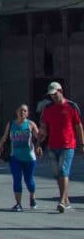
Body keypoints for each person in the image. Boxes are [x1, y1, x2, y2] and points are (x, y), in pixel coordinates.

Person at [38, 82, 84, 212]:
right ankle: (66, 199)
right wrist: (39, 144)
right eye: (51, 95)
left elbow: (78, 126)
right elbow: (44, 128)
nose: (53, 96)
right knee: (57, 174)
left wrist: (82, 144)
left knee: (63, 170)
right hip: (53, 145)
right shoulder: (48, 108)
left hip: (68, 144)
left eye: (55, 94)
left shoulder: (71, 106)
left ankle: (62, 201)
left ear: (61, 91)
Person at [0, 104, 41, 211]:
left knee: (29, 180)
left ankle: (32, 197)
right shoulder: (11, 124)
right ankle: (18, 204)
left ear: (27, 113)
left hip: (29, 157)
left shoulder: (31, 124)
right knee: (17, 179)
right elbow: (4, 138)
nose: (22, 112)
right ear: (16, 112)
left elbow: (38, 137)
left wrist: (39, 146)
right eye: (20, 110)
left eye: (24, 111)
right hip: (15, 157)